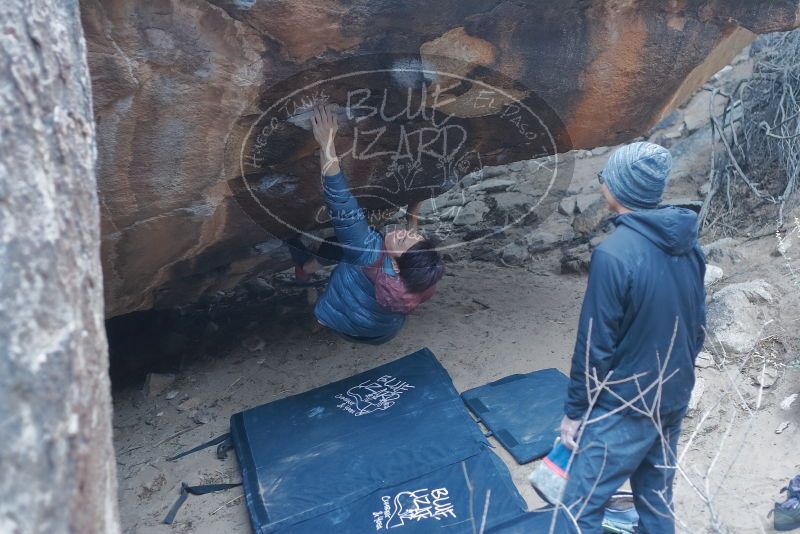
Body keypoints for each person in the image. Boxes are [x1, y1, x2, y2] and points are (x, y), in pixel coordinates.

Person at [556, 142, 707, 533]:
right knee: (655, 501)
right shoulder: (690, 244)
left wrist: (575, 412)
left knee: (578, 508)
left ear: (618, 190)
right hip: (672, 394)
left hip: (627, 404)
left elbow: (595, 346)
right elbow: (698, 325)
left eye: (607, 176)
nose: (602, 181)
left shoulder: (613, 255)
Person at [286, 104, 445, 345]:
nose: (402, 232)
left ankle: (308, 284)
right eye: (414, 237)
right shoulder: (425, 280)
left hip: (339, 320)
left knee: (339, 244)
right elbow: (410, 253)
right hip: (381, 334)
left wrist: (326, 141)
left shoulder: (367, 253)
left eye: (402, 238)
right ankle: (318, 310)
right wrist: (413, 211)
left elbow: (341, 202)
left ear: (396, 264)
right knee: (343, 246)